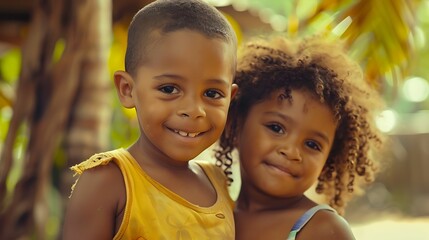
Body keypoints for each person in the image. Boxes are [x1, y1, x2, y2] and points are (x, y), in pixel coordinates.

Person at [62, 0, 238, 239]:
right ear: (127, 89)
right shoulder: (109, 180)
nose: (194, 110)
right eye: (169, 89)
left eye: (212, 94)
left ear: (231, 97)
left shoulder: (218, 183)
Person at [215, 35, 385, 240]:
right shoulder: (212, 214)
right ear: (235, 125)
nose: (292, 151)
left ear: (328, 160)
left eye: (312, 144)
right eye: (276, 128)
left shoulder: (322, 230)